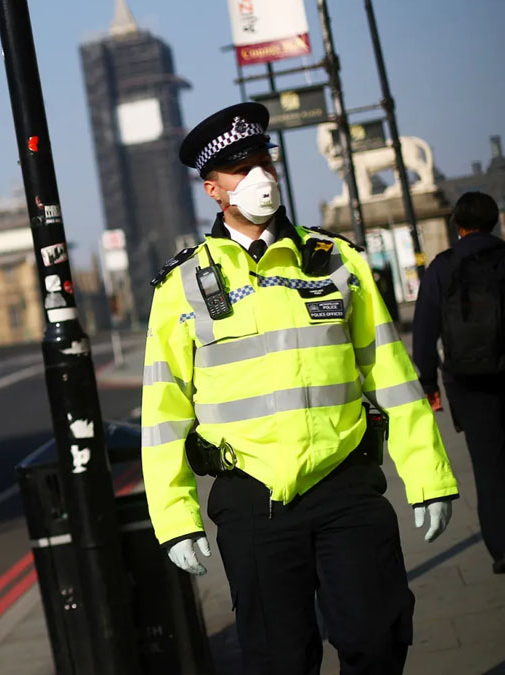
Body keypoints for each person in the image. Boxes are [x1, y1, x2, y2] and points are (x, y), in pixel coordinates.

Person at [141, 102, 460, 674]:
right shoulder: (181, 287)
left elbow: (392, 374)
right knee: (279, 660)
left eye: (265, 161)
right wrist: (175, 519)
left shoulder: (337, 262)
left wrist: (429, 476)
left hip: (346, 489)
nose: (261, 176)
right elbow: (163, 414)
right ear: (214, 188)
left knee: (378, 641)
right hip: (252, 500)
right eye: (242, 169)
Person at [412, 191, 505, 575]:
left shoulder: (442, 268)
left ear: (458, 226)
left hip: (467, 382)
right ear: (495, 221)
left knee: (487, 466)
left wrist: (429, 382)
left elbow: (423, 332)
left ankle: (501, 548)